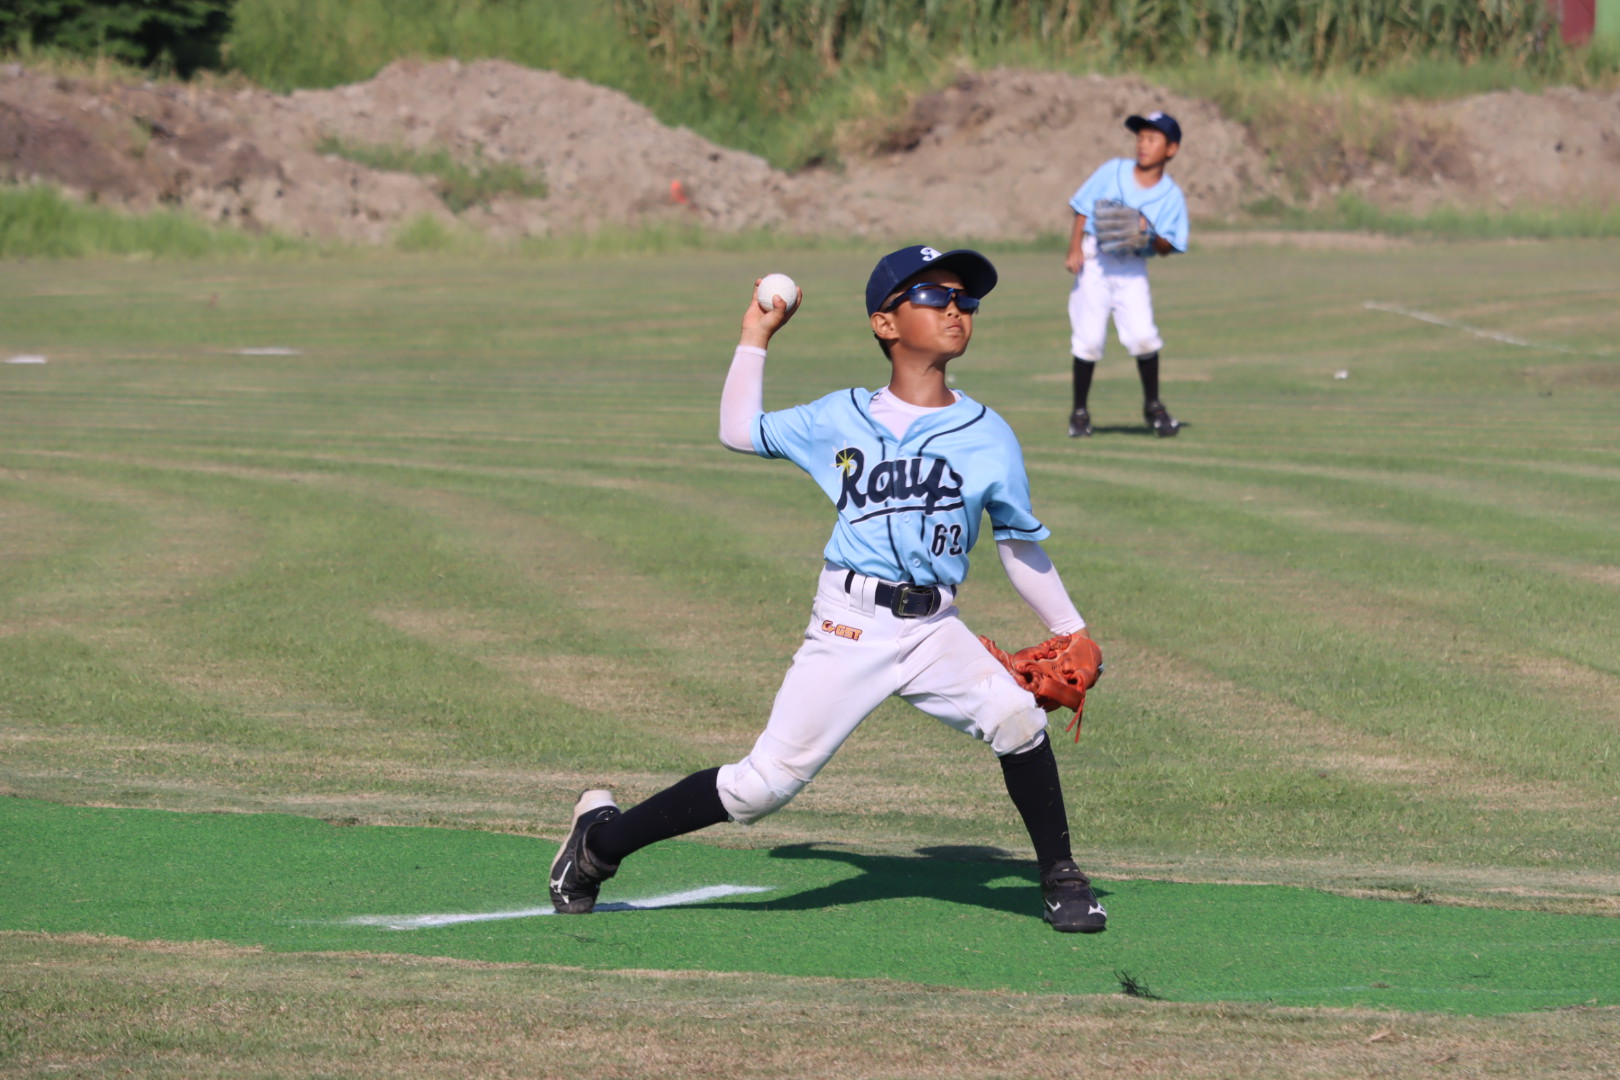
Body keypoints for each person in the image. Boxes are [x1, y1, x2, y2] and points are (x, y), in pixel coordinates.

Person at [549, 245, 1107, 933]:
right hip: (850, 624)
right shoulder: (838, 417)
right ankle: (599, 844)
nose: (956, 308)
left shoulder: (989, 434)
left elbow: (1017, 541)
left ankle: (1062, 877)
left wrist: (1070, 629)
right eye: (935, 295)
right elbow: (738, 431)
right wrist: (755, 334)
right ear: (885, 323)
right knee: (760, 789)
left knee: (1017, 718)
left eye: (966, 298)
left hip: (935, 630)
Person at [1063, 111, 1190, 439]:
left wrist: (1149, 233)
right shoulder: (1113, 170)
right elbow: (1082, 207)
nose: (1143, 144)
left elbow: (1167, 246)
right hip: (1096, 259)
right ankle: (1079, 413)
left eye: (1152, 139)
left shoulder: (1171, 196)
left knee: (1143, 336)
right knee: (1089, 340)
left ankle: (1153, 407)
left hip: (1132, 265)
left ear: (1171, 149)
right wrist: (1075, 247)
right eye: (1140, 137)